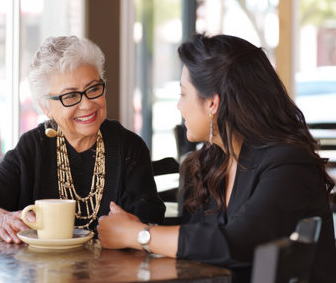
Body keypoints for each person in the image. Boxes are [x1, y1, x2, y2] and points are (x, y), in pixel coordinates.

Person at [97, 34, 336, 282]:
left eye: (183, 94)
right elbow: (200, 242)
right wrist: (139, 231)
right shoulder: (210, 162)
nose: (179, 106)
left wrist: (140, 235)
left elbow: (239, 242)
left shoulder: (288, 164)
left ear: (212, 102)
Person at [0, 36, 165, 243]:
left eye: (93, 89)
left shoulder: (128, 147)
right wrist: (1, 218)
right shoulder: (34, 147)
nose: (87, 104)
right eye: (70, 96)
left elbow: (149, 222)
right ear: (47, 108)